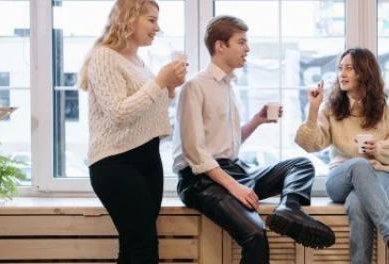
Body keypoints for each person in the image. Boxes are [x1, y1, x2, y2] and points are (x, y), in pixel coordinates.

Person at [172, 15, 335, 264]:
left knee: (301, 165)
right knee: (255, 234)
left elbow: (227, 142)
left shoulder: (230, 86)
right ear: (220, 46)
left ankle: (289, 208)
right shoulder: (195, 87)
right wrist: (234, 187)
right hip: (201, 181)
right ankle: (285, 209)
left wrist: (257, 121)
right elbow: (195, 152)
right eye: (241, 42)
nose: (247, 49)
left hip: (232, 170)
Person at [78, 0, 187, 263]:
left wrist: (168, 89)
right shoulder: (104, 56)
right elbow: (119, 113)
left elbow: (145, 109)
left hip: (147, 160)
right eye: (151, 20)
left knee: (133, 246)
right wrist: (160, 81)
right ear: (129, 19)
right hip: (115, 163)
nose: (157, 27)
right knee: (144, 247)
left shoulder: (137, 60)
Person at [295, 48, 389, 264]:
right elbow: (311, 144)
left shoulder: (385, 110)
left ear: (364, 73)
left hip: (379, 177)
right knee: (358, 165)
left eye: (349, 68)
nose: (342, 74)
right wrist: (313, 109)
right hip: (340, 179)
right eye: (340, 68)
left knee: (357, 202)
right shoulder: (331, 108)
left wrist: (377, 149)